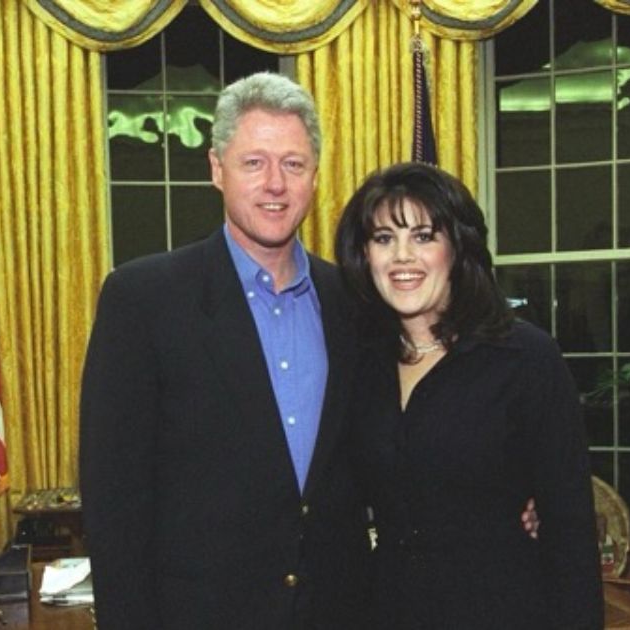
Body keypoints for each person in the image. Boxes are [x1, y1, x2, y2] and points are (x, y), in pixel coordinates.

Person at [79, 72, 371, 629]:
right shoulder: (142, 299)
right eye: (254, 162)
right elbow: (114, 500)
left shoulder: (352, 302)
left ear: (314, 175)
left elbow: (387, 445)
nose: (275, 184)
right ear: (217, 170)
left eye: (293, 163)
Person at [334, 162, 603, 628]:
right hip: (387, 609)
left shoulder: (525, 358)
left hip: (503, 609)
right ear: (364, 254)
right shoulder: (356, 361)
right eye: (383, 239)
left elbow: (570, 530)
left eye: (422, 236)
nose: (402, 256)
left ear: (457, 248)